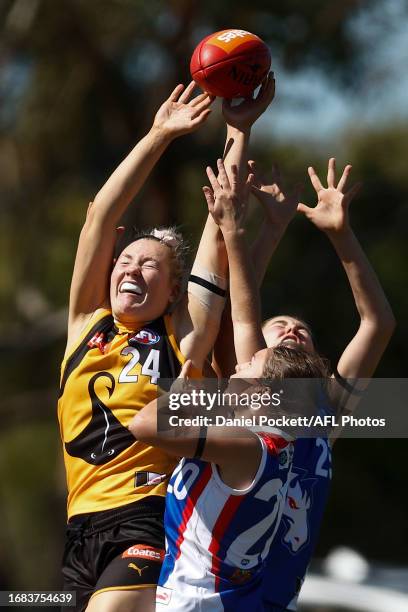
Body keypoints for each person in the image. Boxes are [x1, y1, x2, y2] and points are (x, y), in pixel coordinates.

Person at [58, 76, 275, 612]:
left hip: (147, 516)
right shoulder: (87, 324)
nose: (131, 268)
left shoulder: (183, 336)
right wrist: (158, 135)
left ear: (172, 289)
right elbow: (98, 221)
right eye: (125, 260)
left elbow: (216, 224)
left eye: (149, 264)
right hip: (79, 526)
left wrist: (238, 129)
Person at [129, 158, 299, 612]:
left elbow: (144, 423)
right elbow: (242, 316)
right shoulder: (268, 434)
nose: (238, 367)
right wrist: (239, 231)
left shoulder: (247, 446)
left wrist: (189, 394)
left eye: (249, 368)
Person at [238, 157, 396, 611]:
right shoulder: (245, 389)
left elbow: (378, 323)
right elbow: (242, 305)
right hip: (215, 595)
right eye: (280, 325)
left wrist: (341, 234)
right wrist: (263, 229)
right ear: (251, 355)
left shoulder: (326, 409)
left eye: (302, 330)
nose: (291, 329)